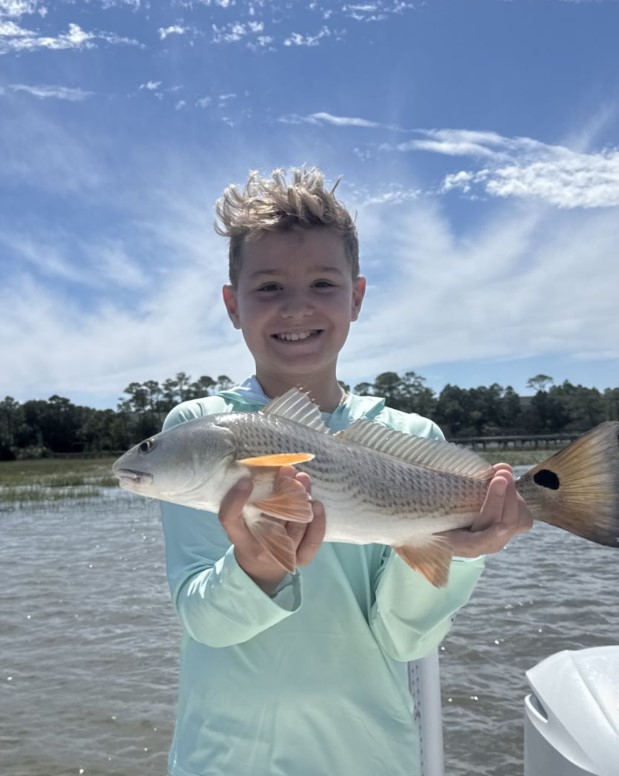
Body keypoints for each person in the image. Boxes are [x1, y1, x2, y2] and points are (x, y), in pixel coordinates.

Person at [159, 167, 532, 776]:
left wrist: (464, 550)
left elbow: (406, 640)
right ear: (232, 304)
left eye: (324, 284)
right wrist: (254, 568)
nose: (297, 306)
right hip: (224, 758)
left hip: (370, 756)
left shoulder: (414, 440)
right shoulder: (200, 429)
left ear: (357, 297)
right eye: (270, 287)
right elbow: (205, 621)